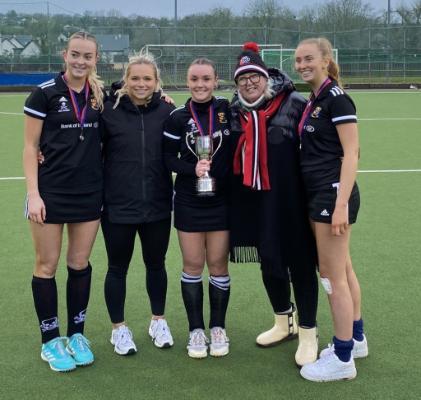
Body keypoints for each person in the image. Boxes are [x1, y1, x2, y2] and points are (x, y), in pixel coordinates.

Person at [229, 42, 319, 367]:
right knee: (269, 261)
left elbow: (317, 149)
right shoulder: (233, 110)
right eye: (242, 78)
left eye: (254, 76)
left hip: (293, 203)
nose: (249, 83)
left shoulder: (294, 104)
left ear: (266, 76)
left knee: (301, 264)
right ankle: (284, 321)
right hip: (255, 203)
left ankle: (309, 330)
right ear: (236, 83)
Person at [23, 31, 104, 372]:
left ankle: (77, 334)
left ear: (95, 60)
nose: (80, 61)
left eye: (87, 56)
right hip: (50, 194)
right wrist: (33, 194)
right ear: (64, 54)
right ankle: (51, 340)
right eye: (75, 54)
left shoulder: (100, 95)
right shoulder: (43, 94)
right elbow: (30, 147)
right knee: (47, 265)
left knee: (79, 264)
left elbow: (140, 93)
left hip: (89, 192)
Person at [294, 37, 367, 382]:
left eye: (308, 58)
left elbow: (352, 153)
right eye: (298, 60)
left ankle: (341, 357)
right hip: (322, 194)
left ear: (325, 60)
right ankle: (356, 338)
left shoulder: (337, 98)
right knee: (344, 268)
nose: (302, 64)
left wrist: (339, 205)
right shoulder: (316, 98)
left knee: (332, 276)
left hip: (331, 196)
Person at [100, 54, 175, 355]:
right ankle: (118, 328)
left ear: (157, 82)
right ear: (125, 81)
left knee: (156, 265)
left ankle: (158, 320)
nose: (141, 84)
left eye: (147, 79)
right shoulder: (107, 110)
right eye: (135, 78)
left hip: (157, 205)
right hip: (118, 205)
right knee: (117, 268)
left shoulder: (169, 110)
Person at [163, 58, 231, 358]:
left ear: (216, 80)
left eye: (206, 79)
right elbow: (168, 159)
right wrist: (193, 169)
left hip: (223, 199)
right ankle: (195, 330)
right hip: (189, 199)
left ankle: (218, 328)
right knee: (192, 264)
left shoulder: (229, 110)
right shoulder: (177, 116)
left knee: (218, 264)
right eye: (194, 79)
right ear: (186, 81)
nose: (200, 84)